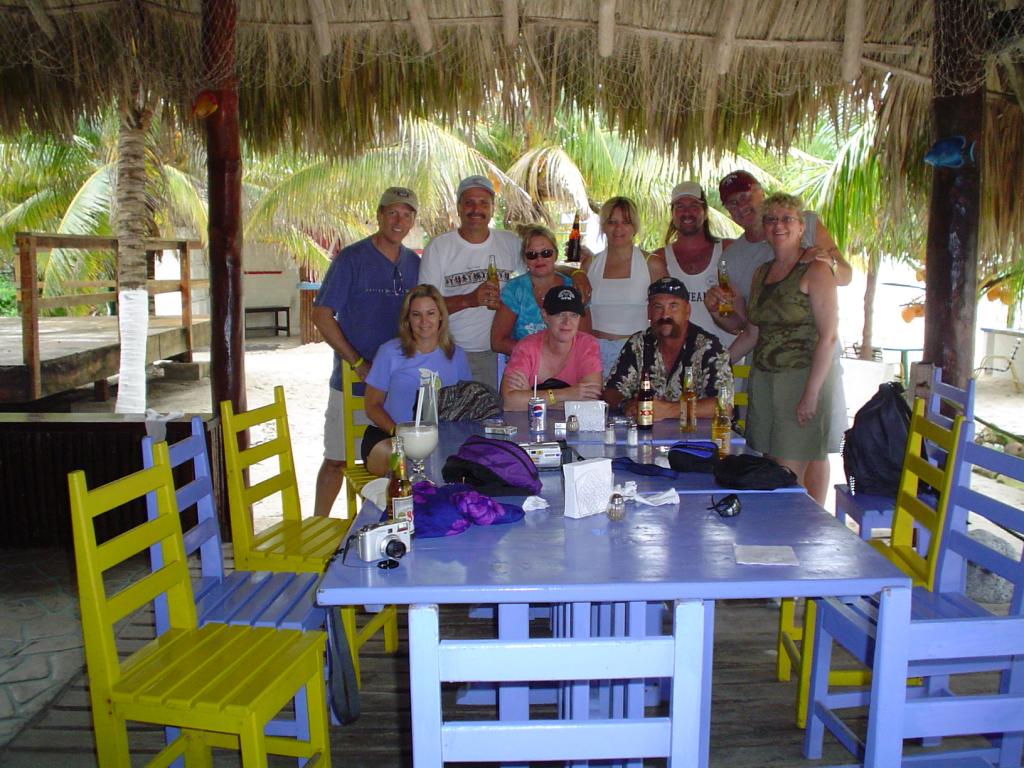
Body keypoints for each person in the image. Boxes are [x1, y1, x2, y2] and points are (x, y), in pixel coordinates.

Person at [707, 170, 851, 500]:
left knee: (789, 477)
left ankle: (807, 528)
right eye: (772, 220)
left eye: (787, 219)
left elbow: (828, 336)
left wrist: (811, 393)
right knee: (770, 468)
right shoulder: (760, 271)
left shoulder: (816, 268)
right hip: (764, 379)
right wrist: (718, 362)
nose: (778, 225)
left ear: (802, 227)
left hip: (802, 377)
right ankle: (782, 530)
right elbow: (752, 329)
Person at [421, 175, 593, 390]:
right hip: (448, 349)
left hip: (491, 356)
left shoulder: (509, 242)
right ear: (458, 207)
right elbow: (422, 306)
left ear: (493, 208)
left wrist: (577, 273)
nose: (476, 209)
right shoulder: (439, 247)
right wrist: (469, 300)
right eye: (469, 202)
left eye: (484, 203)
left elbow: (541, 265)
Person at [311, 186, 420, 516]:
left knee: (393, 463)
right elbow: (322, 315)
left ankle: (379, 525)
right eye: (392, 213)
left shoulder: (414, 263)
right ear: (379, 215)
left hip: (398, 388)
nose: (398, 221)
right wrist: (357, 362)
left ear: (413, 221)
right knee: (336, 460)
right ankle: (319, 523)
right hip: (353, 382)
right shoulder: (351, 258)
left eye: (406, 215)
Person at [362, 284, 472, 476]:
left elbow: (466, 405)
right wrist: (402, 435)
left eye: (430, 313)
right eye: (416, 315)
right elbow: (372, 406)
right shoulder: (389, 352)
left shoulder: (456, 355)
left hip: (439, 440)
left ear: (441, 316)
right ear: (407, 319)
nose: (424, 321)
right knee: (397, 458)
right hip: (391, 436)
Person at [603, 277, 730, 420]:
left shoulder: (709, 347)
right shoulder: (638, 343)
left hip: (698, 432)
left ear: (687, 311)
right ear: (649, 312)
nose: (665, 315)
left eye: (673, 306)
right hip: (646, 431)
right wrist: (626, 404)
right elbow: (610, 391)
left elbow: (724, 406)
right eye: (658, 307)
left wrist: (669, 410)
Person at [581, 196, 668, 376]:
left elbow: (666, 315)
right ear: (603, 226)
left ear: (634, 227)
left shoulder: (653, 265)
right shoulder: (589, 265)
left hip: (638, 354)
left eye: (626, 222)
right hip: (594, 354)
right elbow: (581, 313)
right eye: (612, 222)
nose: (618, 228)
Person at [650, 181, 735, 347]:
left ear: (705, 211)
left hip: (726, 353)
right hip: (678, 356)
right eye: (680, 207)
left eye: (694, 205)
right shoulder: (659, 259)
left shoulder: (728, 250)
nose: (687, 212)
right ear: (672, 213)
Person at [490, 224, 591, 354]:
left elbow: (585, 341)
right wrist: (541, 354)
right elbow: (498, 342)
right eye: (532, 254)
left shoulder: (574, 288)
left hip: (567, 363)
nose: (539, 259)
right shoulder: (514, 290)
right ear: (524, 259)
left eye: (546, 253)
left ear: (556, 255)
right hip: (525, 362)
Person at [500, 285, 602, 411]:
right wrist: (566, 394)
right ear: (545, 315)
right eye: (559, 314)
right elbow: (509, 402)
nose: (567, 322)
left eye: (574, 315)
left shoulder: (587, 345)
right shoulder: (526, 347)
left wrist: (531, 397)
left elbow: (590, 402)